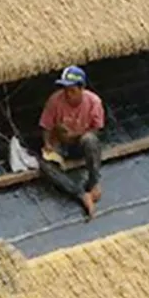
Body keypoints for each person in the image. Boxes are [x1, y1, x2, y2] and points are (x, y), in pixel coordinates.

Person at [39, 65, 105, 218]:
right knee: (44, 165)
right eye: (66, 90)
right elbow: (46, 126)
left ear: (82, 88)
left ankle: (94, 181)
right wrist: (48, 144)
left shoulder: (94, 102)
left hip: (80, 143)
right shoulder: (55, 100)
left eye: (72, 91)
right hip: (61, 144)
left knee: (90, 140)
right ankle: (80, 194)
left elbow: (96, 130)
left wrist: (74, 135)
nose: (68, 95)